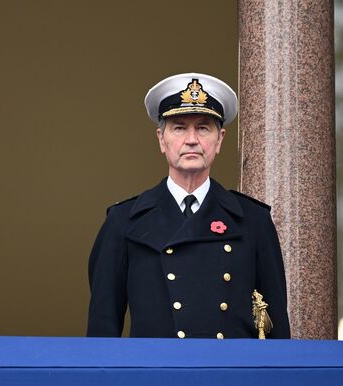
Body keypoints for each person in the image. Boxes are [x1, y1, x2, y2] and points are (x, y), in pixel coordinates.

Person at [86, 73, 290, 339]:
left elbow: (277, 328)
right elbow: (103, 331)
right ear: (162, 139)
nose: (191, 139)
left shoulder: (253, 221)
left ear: (219, 140)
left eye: (203, 127)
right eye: (179, 127)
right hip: (156, 376)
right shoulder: (124, 221)